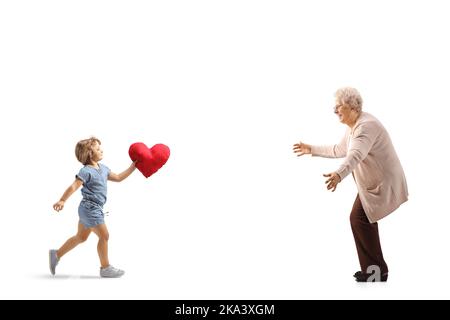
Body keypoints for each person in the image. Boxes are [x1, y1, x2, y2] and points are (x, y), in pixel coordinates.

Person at [293, 87, 408, 282]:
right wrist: (310, 149)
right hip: (372, 184)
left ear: (352, 107)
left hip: (382, 183)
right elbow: (340, 149)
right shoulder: (355, 126)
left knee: (359, 218)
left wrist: (338, 175)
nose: (335, 110)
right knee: (361, 219)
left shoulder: (365, 127)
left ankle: (376, 272)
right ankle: (376, 270)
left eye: (339, 106)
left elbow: (355, 155)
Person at [50, 137, 136, 278]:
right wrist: (62, 200)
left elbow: (119, 177)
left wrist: (133, 166)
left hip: (90, 209)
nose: (101, 150)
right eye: (97, 149)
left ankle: (56, 254)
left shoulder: (103, 169)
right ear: (89, 154)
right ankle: (105, 267)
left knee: (81, 237)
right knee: (104, 235)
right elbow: (73, 186)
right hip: (90, 209)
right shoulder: (86, 171)